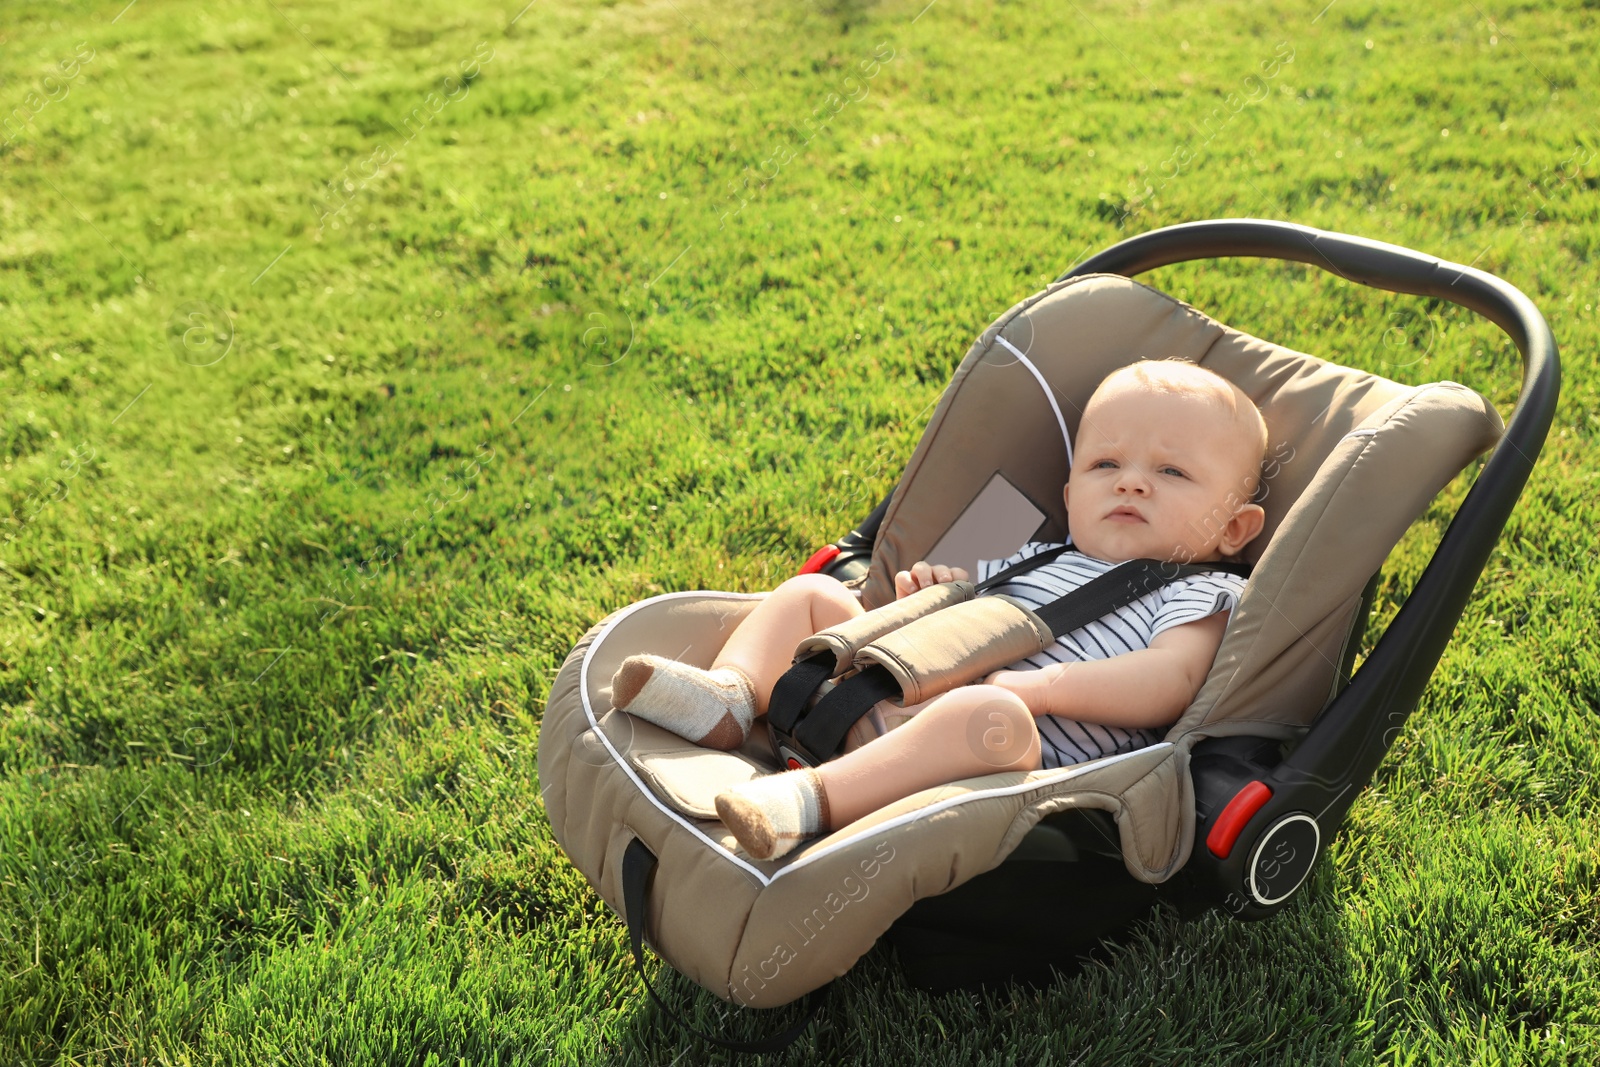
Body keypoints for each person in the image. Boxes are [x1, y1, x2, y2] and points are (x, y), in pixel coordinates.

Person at [606, 359, 1269, 860]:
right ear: (1069, 494)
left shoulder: (1193, 589)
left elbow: (1171, 681)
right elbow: (961, 623)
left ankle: (805, 802)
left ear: (1235, 530)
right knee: (813, 598)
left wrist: (1044, 688)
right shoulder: (1036, 553)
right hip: (883, 691)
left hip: (998, 757)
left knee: (992, 714)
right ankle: (727, 701)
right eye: (1104, 463)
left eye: (1173, 473)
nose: (1130, 480)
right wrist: (918, 605)